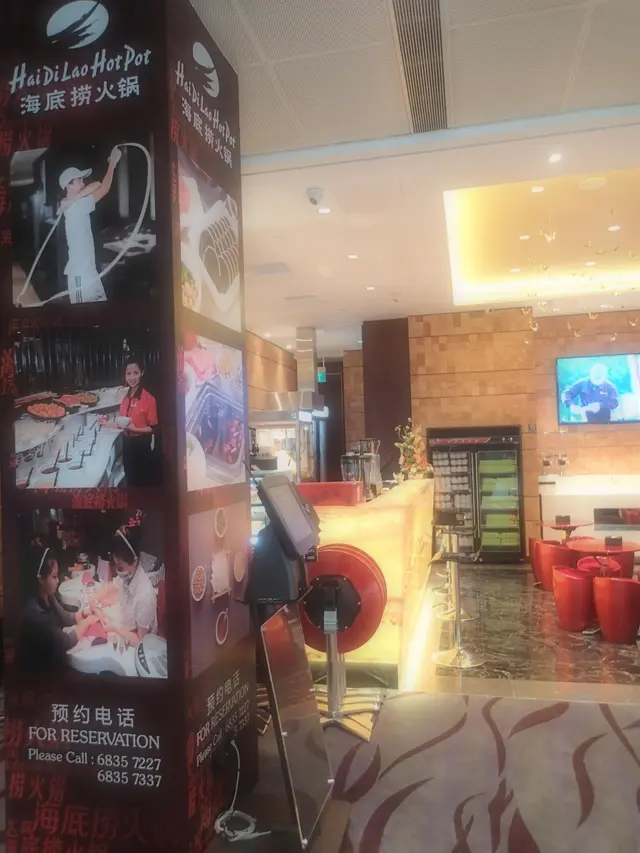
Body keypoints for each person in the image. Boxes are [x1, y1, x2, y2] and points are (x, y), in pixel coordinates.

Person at [17, 548, 100, 674]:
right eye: (54, 576)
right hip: (41, 675)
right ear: (40, 579)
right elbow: (65, 641)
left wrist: (85, 613)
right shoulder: (36, 614)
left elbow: (65, 618)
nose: (58, 581)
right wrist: (87, 622)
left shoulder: (48, 596)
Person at [58, 146, 122, 304]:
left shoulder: (74, 203)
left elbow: (96, 185)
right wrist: (112, 163)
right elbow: (103, 187)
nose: (82, 182)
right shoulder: (75, 207)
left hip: (89, 271)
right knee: (82, 314)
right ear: (69, 185)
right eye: (79, 180)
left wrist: (76, 196)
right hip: (80, 274)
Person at [90, 530, 157, 647]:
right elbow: (112, 586)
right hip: (124, 626)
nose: (118, 571)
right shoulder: (127, 577)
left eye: (120, 567)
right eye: (116, 566)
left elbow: (140, 641)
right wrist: (93, 599)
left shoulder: (145, 596)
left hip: (139, 646)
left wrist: (114, 628)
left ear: (134, 562)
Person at [99, 358, 159, 487]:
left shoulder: (149, 399)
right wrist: (107, 424)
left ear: (142, 373)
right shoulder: (125, 398)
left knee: (142, 482)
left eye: (136, 373)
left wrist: (134, 429)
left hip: (142, 446)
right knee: (130, 478)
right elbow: (122, 424)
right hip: (127, 445)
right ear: (125, 375)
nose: (132, 377)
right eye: (128, 374)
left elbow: (152, 428)